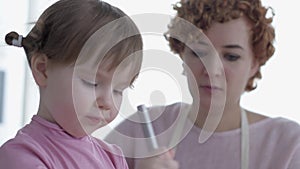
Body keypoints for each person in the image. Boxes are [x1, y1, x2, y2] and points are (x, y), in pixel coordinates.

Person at [105, 0, 300, 168]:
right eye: (198, 52)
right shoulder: (140, 130)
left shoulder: (288, 145)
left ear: (254, 65)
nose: (212, 70)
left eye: (231, 56)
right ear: (182, 54)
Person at [0, 0, 143, 168]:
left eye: (119, 90)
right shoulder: (22, 156)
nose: (107, 102)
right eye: (92, 83)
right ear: (42, 69)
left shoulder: (113, 158)